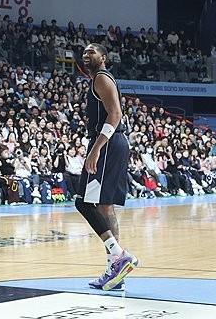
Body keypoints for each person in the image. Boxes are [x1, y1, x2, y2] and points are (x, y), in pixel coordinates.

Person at [74, 42, 139, 293]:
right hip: (113, 142)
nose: (86, 55)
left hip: (109, 143)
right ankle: (116, 271)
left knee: (83, 202)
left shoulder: (101, 78)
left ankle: (119, 255)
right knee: (104, 206)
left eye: (92, 51)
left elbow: (115, 114)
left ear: (103, 57)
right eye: (85, 52)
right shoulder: (98, 80)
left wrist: (96, 148)